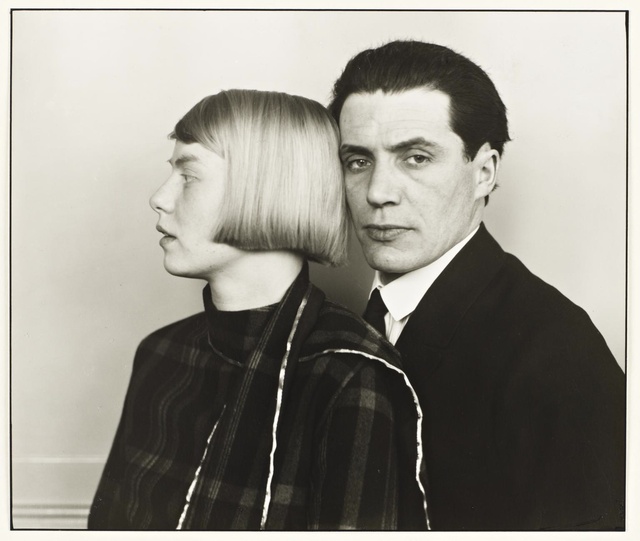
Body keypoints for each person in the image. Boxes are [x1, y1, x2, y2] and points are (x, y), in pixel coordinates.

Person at [87, 89, 429, 530]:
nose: (160, 198)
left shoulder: (348, 375)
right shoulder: (160, 353)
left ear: (268, 189)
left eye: (188, 176)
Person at [328, 40, 625, 531]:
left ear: (484, 172)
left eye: (416, 158)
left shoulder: (556, 350)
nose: (378, 193)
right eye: (358, 161)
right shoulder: (353, 325)